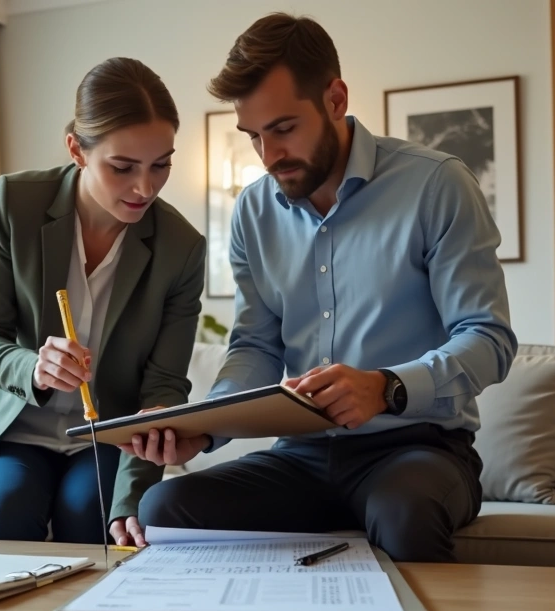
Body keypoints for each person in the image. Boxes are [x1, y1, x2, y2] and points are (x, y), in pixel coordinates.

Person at [125, 13, 517, 562]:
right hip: (302, 456)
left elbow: (489, 338)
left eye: (283, 129)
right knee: (165, 508)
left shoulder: (436, 184)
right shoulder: (253, 211)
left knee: (403, 512)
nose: (268, 155)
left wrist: (387, 387)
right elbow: (257, 346)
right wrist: (205, 430)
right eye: (253, 136)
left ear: (335, 98)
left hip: (419, 448)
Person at [0, 57, 206, 546]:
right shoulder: (12, 204)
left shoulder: (182, 247)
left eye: (161, 165)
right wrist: (32, 367)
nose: (145, 188)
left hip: (109, 436)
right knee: (4, 513)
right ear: (77, 149)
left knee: (89, 517)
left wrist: (131, 497)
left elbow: (163, 385)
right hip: (16, 428)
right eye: (122, 167)